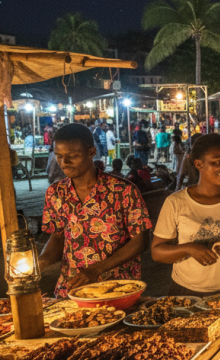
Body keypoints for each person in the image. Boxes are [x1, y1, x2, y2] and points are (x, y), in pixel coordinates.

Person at [39, 124, 152, 299]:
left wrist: (96, 270)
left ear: (91, 152)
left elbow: (141, 240)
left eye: (72, 156)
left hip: (118, 287)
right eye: (59, 156)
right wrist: (41, 261)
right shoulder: (55, 193)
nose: (64, 163)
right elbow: (59, 236)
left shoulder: (123, 190)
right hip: (72, 287)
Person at [152, 134, 220, 295]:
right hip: (188, 291)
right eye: (217, 162)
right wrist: (189, 248)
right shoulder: (175, 202)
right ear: (198, 164)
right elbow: (157, 252)